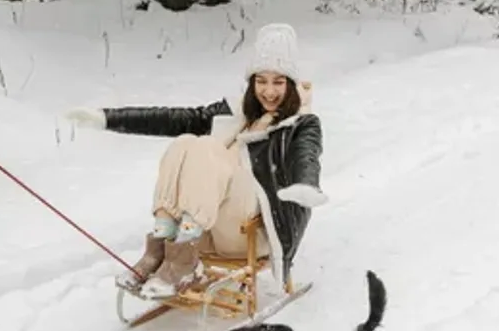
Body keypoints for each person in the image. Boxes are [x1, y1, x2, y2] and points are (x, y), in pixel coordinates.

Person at [66, 23, 328, 298]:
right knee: (184, 142)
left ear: (291, 84)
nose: (269, 91)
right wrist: (107, 119)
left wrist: (306, 185)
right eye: (261, 81)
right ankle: (164, 242)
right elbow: (174, 118)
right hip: (208, 228)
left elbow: (307, 155)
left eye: (278, 82)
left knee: (206, 147)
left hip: (253, 232)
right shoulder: (235, 112)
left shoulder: (301, 124)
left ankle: (184, 251)